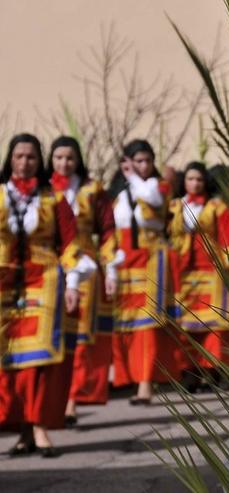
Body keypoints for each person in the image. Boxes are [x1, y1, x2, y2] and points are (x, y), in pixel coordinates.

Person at [0, 134, 96, 457]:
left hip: (45, 281)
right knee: (10, 361)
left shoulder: (54, 198)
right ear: (10, 160)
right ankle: (22, 430)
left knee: (40, 360)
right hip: (4, 284)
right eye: (19, 156)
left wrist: (73, 284)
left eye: (31, 157)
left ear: (39, 161)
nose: (24, 162)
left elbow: (70, 244)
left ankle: (39, 427)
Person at [46, 137, 117, 427]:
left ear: (78, 160)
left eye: (70, 158)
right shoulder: (44, 191)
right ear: (50, 159)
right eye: (59, 157)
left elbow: (109, 228)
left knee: (79, 337)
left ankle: (71, 401)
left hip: (85, 269)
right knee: (53, 334)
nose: (64, 163)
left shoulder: (92, 189)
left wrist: (110, 269)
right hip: (49, 268)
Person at [109, 139, 181, 404]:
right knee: (126, 323)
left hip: (152, 257)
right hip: (124, 258)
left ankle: (146, 384)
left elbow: (153, 199)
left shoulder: (159, 186)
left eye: (148, 161)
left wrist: (132, 177)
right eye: (138, 161)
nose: (143, 166)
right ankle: (129, 377)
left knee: (148, 323)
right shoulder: (118, 193)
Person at [169, 162, 229, 381]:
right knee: (186, 323)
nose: (195, 183)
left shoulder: (216, 206)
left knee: (214, 321)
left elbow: (226, 236)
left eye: (199, 179)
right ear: (184, 181)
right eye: (190, 179)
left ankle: (214, 369)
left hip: (213, 270)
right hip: (183, 272)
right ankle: (189, 369)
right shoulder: (175, 206)